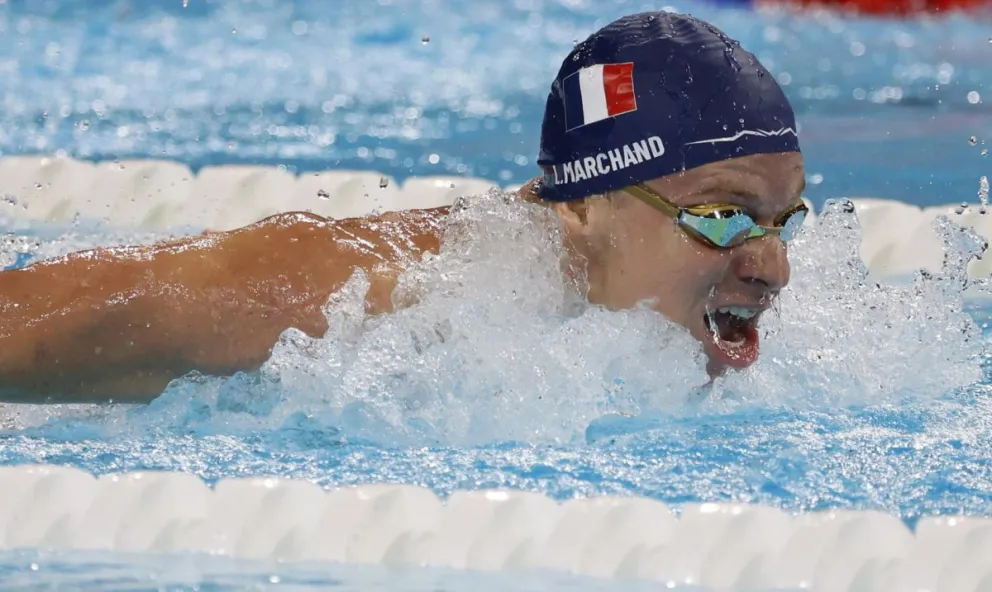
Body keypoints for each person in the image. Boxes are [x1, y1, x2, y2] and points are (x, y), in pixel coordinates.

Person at [0, 11, 807, 404]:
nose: (772, 266)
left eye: (782, 219)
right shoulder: (370, 297)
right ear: (583, 205)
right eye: (722, 216)